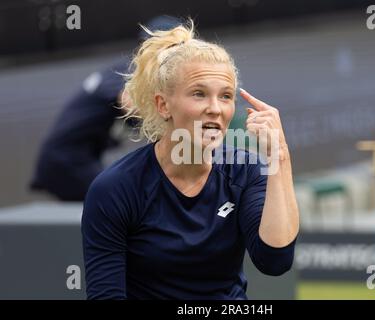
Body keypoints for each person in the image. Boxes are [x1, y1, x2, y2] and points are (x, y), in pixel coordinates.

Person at [81, 19, 300, 300]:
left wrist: (279, 156)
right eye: (199, 94)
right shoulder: (116, 188)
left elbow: (274, 262)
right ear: (163, 105)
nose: (215, 109)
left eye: (226, 96)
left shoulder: (247, 170)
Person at [28, 15, 183, 201]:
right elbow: (130, 103)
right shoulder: (129, 71)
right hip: (67, 161)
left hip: (79, 158)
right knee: (130, 201)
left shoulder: (136, 74)